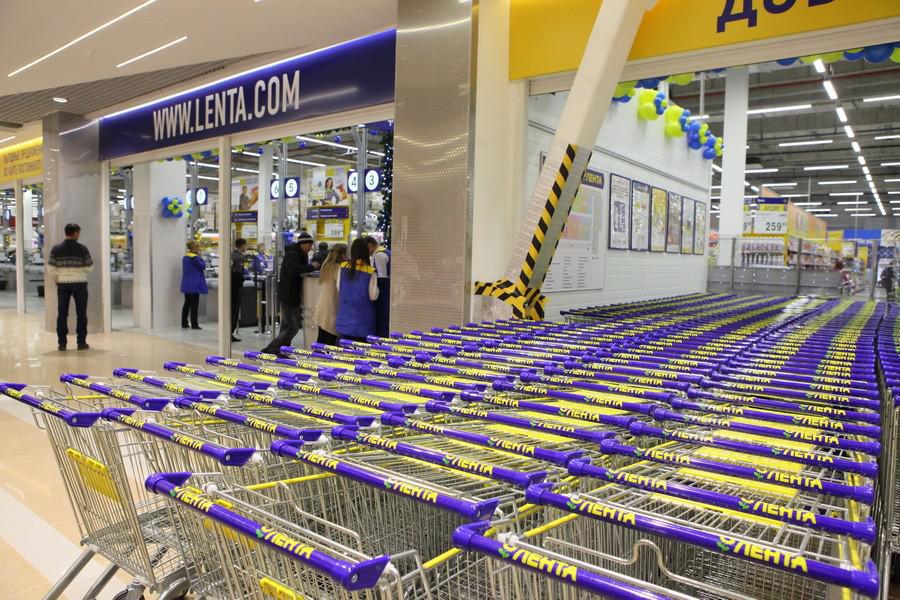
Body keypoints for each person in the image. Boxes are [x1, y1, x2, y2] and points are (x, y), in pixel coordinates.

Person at [261, 232, 320, 356]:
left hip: (291, 293)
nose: (310, 248)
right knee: (293, 327)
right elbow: (295, 269)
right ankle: (272, 347)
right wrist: (312, 267)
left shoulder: (299, 254)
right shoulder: (293, 254)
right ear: (303, 244)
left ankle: (281, 349)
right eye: (309, 245)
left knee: (286, 325)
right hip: (288, 293)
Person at [47, 223, 93, 351]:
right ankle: (81, 343)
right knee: (81, 314)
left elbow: (50, 269)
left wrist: (60, 275)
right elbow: (90, 267)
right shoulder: (82, 249)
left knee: (62, 314)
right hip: (80, 284)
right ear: (76, 233)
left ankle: (62, 344)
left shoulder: (56, 249)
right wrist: (79, 270)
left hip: (63, 284)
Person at [335, 238, 379, 343]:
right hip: (363, 322)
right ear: (366, 252)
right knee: (360, 351)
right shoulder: (370, 271)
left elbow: (339, 287)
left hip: (344, 319)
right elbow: (373, 295)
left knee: (344, 350)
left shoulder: (343, 267)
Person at [314, 243, 348, 346]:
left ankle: (317, 355)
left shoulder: (326, 266)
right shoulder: (338, 268)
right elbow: (341, 287)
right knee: (329, 341)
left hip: (322, 305)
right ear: (342, 254)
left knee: (321, 338)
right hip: (331, 305)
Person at [365, 236, 391, 338]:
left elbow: (381, 277)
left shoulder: (379, 255)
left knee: (382, 319)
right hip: (389, 289)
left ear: (370, 245)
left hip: (384, 292)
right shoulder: (386, 252)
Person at [180, 240, 208, 329]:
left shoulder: (185, 257)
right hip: (195, 284)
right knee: (194, 305)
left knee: (187, 303)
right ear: (194, 247)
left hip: (187, 284)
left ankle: (184, 323)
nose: (199, 248)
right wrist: (200, 256)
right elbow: (203, 266)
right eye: (197, 247)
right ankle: (194, 324)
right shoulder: (195, 258)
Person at [230, 238, 248, 342]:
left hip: (231, 285)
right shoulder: (239, 257)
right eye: (245, 245)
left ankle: (229, 332)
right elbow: (237, 273)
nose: (246, 247)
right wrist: (242, 278)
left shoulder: (232, 254)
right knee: (234, 310)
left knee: (232, 309)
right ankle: (230, 333)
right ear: (242, 245)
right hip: (236, 286)